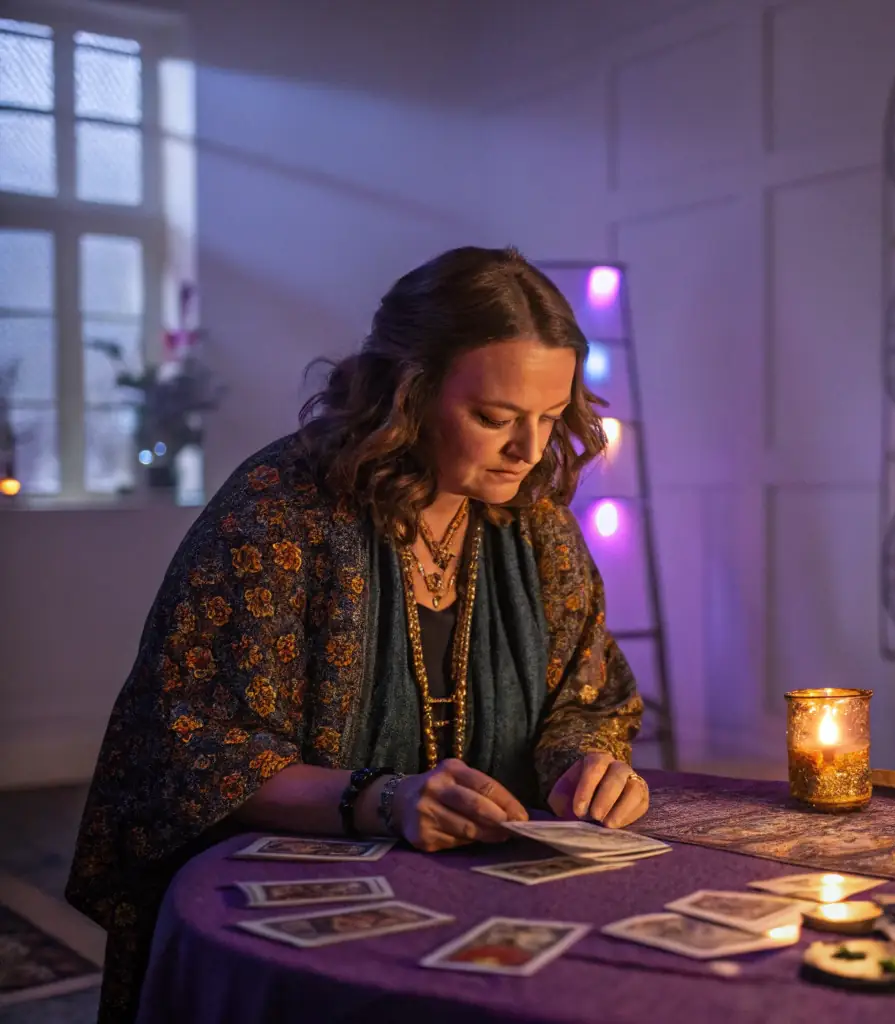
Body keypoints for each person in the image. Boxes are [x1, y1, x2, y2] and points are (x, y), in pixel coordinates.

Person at [66, 246, 648, 1023]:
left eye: (549, 417)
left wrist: (587, 762)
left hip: (493, 902)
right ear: (406, 393)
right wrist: (384, 799)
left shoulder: (532, 524)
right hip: (302, 910)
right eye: (494, 418)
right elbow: (187, 751)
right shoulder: (279, 514)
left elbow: (585, 694)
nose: (531, 451)